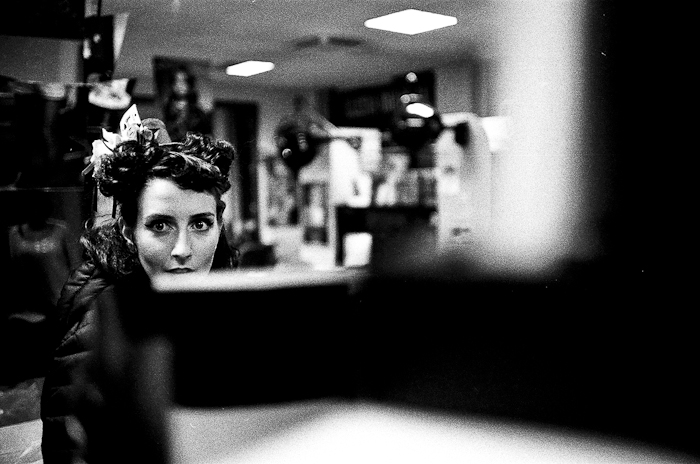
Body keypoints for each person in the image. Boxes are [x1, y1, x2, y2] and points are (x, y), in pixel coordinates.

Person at [40, 115, 237, 463]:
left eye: (200, 224)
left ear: (219, 227)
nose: (182, 249)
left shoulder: (213, 306)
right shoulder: (101, 335)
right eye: (160, 225)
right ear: (129, 233)